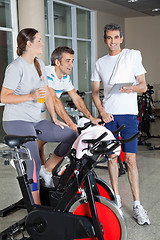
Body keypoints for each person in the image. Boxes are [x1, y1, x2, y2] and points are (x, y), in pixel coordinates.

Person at [0, 28, 78, 204]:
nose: (42, 43)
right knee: (33, 161)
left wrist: (54, 118)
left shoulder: (39, 64)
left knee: (70, 134)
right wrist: (30, 96)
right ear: (29, 44)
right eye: (39, 40)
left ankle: (48, 169)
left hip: (35, 120)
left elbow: (47, 94)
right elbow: (3, 97)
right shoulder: (15, 67)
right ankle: (36, 207)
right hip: (16, 121)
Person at [91, 23, 150, 225]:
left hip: (128, 116)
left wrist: (131, 88)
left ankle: (137, 204)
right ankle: (116, 198)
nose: (112, 41)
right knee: (112, 158)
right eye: (109, 38)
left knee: (131, 160)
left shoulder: (133, 56)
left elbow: (143, 85)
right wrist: (102, 111)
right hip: (109, 116)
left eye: (116, 37)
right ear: (104, 39)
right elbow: (94, 92)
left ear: (121, 38)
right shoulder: (100, 63)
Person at [38, 46, 101, 165]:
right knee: (39, 147)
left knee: (40, 145)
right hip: (27, 115)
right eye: (68, 61)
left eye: (72, 61)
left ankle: (44, 172)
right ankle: (44, 171)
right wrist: (71, 124)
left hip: (39, 113)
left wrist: (91, 118)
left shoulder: (65, 77)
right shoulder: (46, 73)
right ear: (57, 62)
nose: (71, 64)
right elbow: (54, 100)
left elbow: (76, 98)